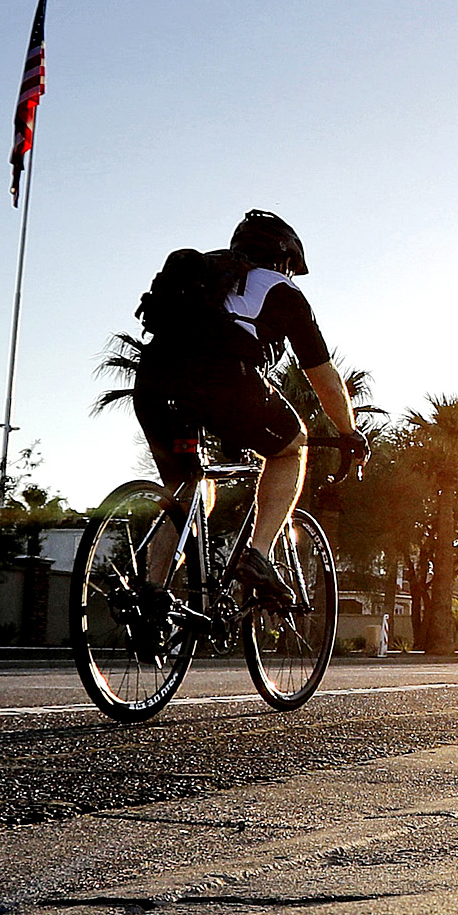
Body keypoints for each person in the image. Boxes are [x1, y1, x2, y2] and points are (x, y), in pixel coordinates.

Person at [131, 210, 366, 631]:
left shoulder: (203, 275)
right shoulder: (281, 289)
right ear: (284, 259)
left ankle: (152, 597)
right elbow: (324, 380)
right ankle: (258, 554)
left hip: (153, 380)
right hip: (223, 380)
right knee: (292, 446)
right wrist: (349, 432)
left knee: (187, 492)